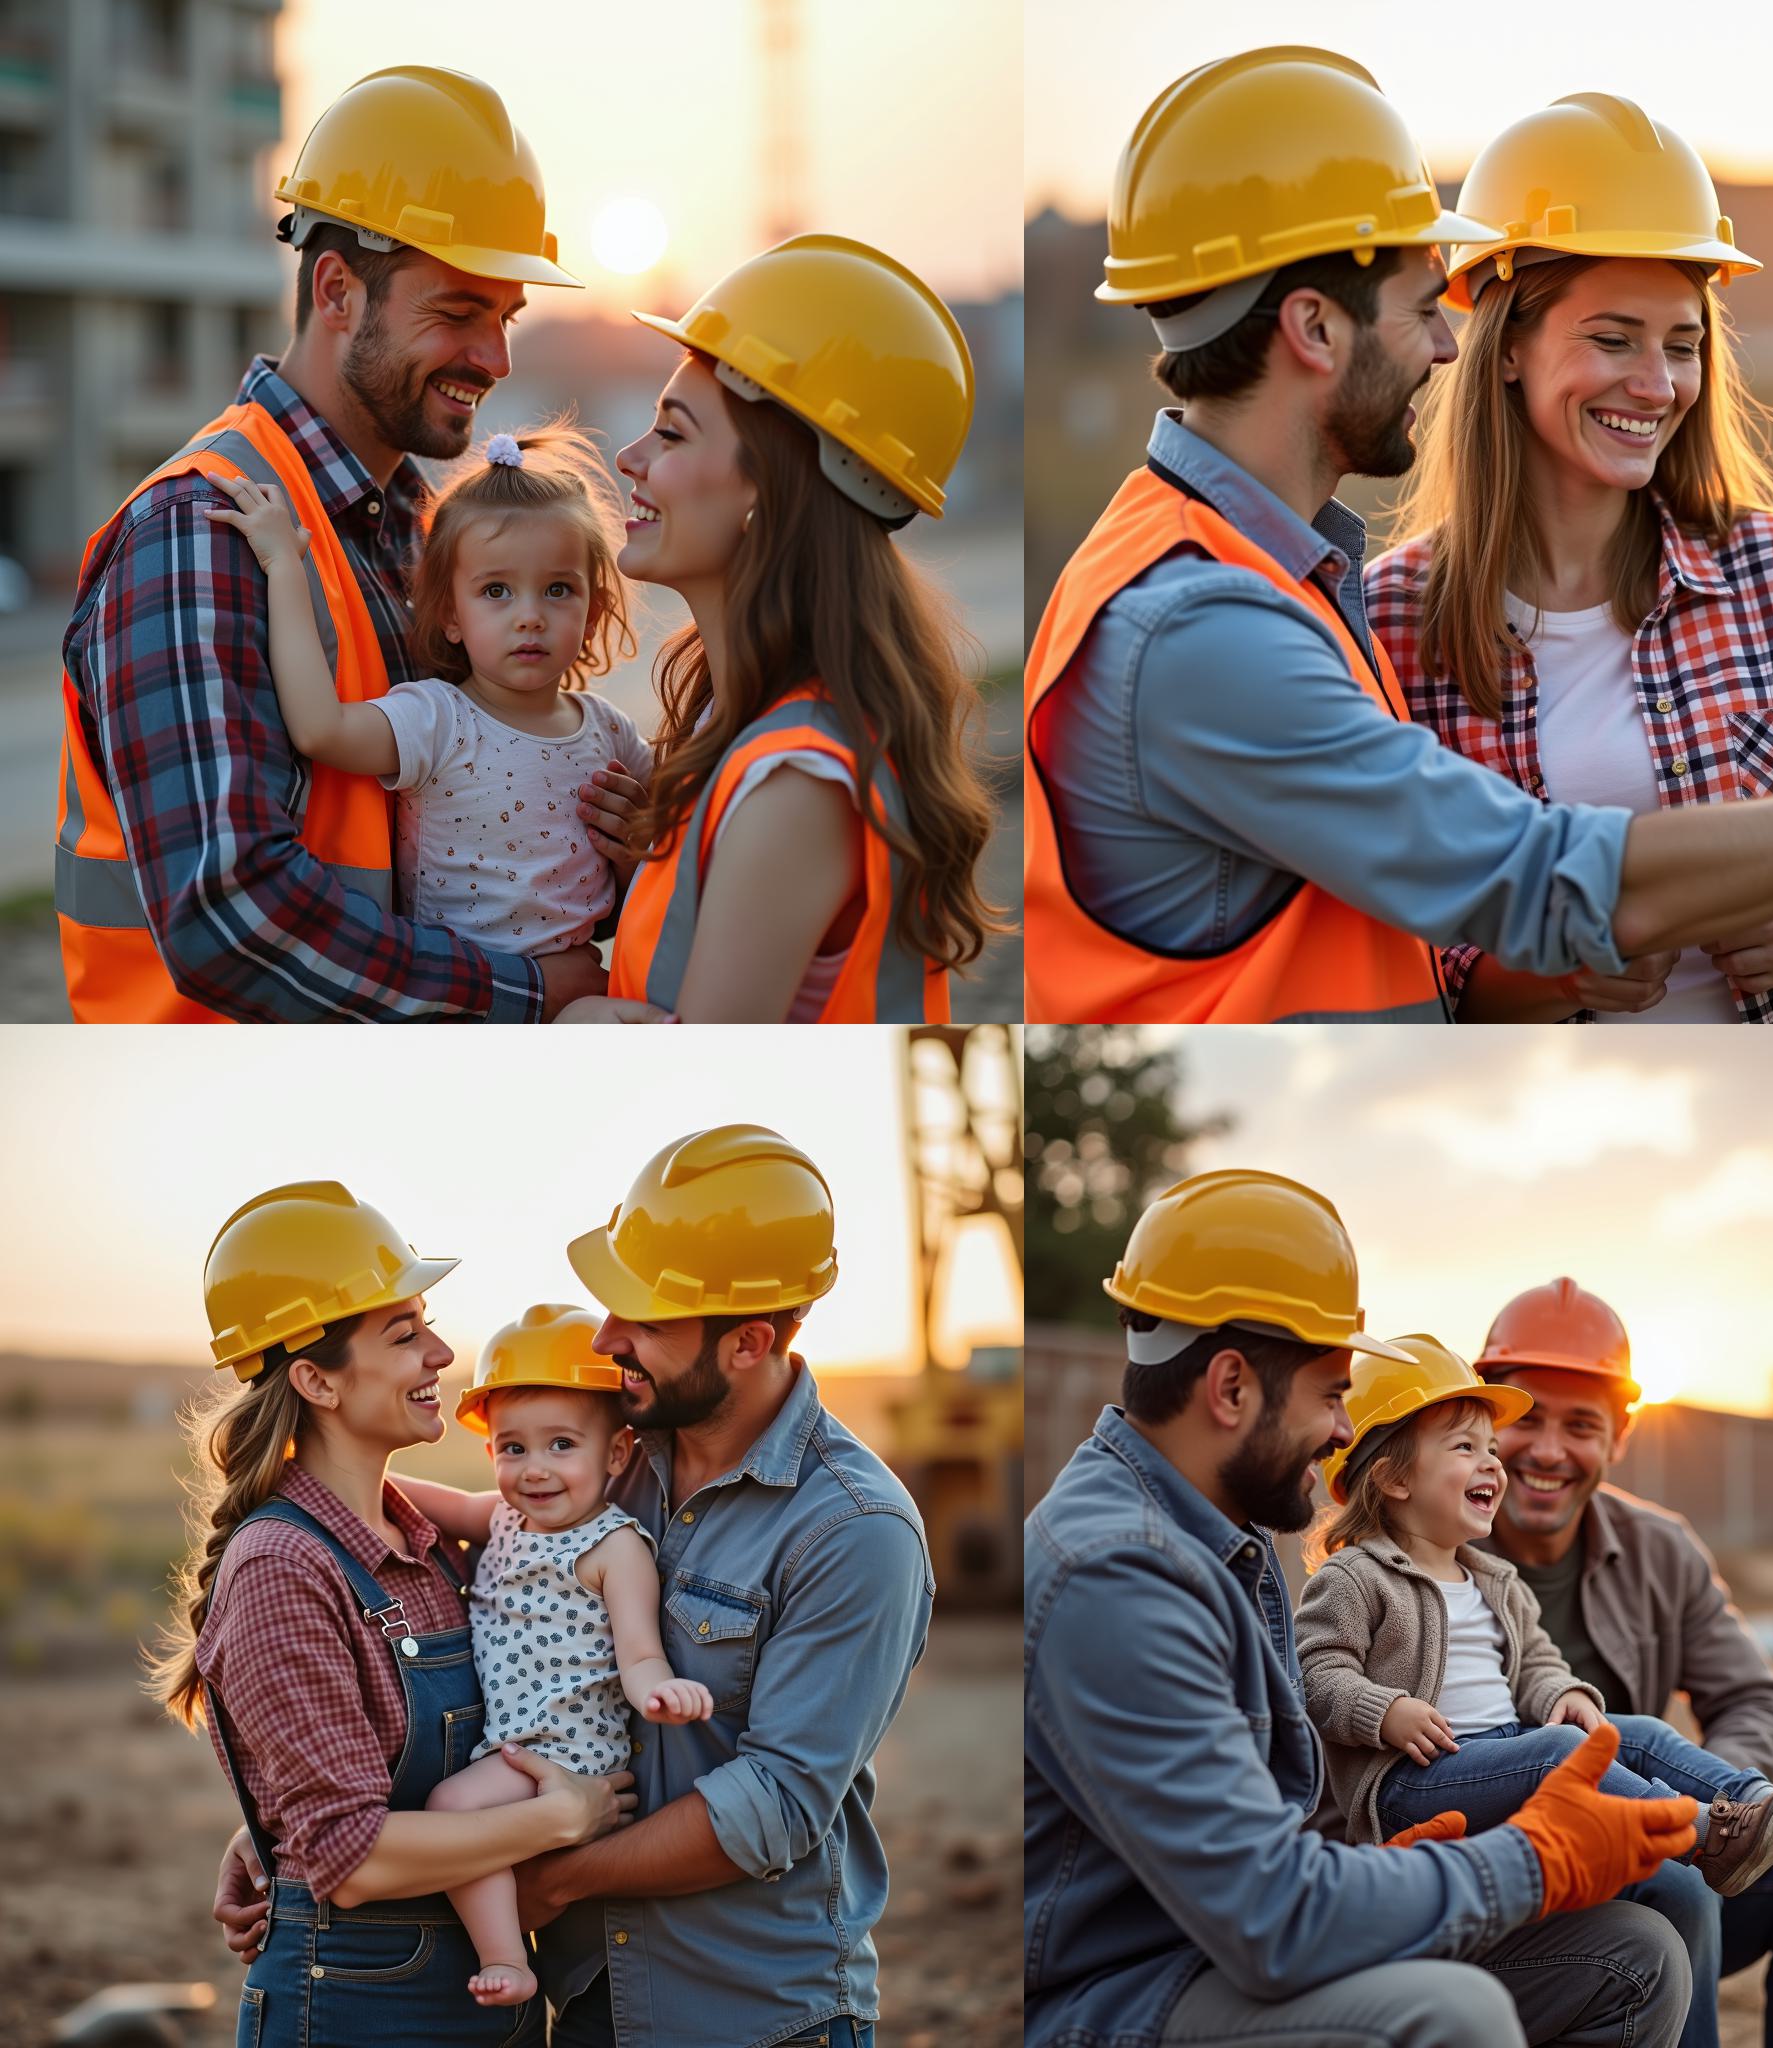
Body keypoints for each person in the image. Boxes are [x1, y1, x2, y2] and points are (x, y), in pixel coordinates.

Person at [1022, 45, 1773, 1025]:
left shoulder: (1279, 580)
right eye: (1423, 307)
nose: (1441, 342)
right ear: (1313, 328)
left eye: (1680, 345)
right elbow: (1535, 881)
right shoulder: (1229, 622)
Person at [1027, 1167, 1704, 2048]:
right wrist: (1534, 1860)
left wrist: (1388, 1876)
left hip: (1219, 1943)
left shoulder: (1213, 1537)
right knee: (1448, 2015)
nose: (1346, 1431)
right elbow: (1274, 1920)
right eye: (1332, 1393)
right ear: (1232, 1389)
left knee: (1633, 1956)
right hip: (1130, 1991)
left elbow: (1258, 1848)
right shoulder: (1120, 1575)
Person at [1368, 93, 1773, 1022]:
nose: (1656, 385)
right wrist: (1555, 976)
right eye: (1612, 340)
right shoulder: (1390, 622)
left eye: (1682, 347)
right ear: (1508, 345)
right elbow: (1390, 952)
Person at [54, 66, 615, 1021]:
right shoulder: (204, 528)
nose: (496, 358)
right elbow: (232, 915)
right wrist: (528, 992)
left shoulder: (420, 524)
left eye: (506, 317)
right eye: (457, 313)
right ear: (338, 290)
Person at [152, 1184, 634, 2043]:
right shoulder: (281, 1568)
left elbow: (362, 1782)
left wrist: (268, 1824)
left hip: (484, 1989)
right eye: (405, 1336)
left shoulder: (428, 1544)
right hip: (359, 2004)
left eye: (429, 1324)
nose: (443, 1354)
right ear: (315, 1381)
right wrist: (564, 1816)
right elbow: (352, 1861)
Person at [574, 236, 1004, 1022]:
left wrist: (577, 1024)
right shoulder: (742, 733)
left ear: (766, 498)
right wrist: (669, 867)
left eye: (671, 433)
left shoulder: (797, 783)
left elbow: (700, 1074)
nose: (630, 458)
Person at [1296, 1335, 1773, 1905]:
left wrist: (1562, 1692)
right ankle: (1706, 1837)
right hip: (1415, 1788)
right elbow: (1314, 1671)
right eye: (1465, 1449)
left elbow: (1538, 1661)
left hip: (1508, 1755)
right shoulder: (1355, 1577)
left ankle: (1762, 1807)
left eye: (1490, 1448)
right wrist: (1383, 1711)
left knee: (1633, 1734)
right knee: (1558, 1752)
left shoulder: (1493, 1580)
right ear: (1394, 1479)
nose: (1492, 1465)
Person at [1474, 1279, 1773, 2048]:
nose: (1547, 1450)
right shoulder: (1423, 1557)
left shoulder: (1661, 1550)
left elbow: (1753, 1697)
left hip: (1656, 1856)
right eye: (1525, 1417)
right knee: (1670, 1888)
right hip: (1506, 1893)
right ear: (1482, 1416)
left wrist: (1710, 1822)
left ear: (1620, 1435)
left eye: (1581, 1425)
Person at [203, 427, 651, 962]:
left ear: (592, 611)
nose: (530, 616)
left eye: (558, 589)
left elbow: (686, 816)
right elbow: (319, 729)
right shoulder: (437, 718)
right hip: (469, 1004)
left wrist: (639, 840)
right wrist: (283, 568)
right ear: (450, 617)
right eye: (496, 591)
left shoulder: (610, 730)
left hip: (584, 981)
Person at [390, 1306, 714, 2009]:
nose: (534, 1470)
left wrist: (661, 1692)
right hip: (511, 1745)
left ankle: (507, 1957)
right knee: (463, 1822)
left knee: (451, 1811)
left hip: (569, 1753)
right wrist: (329, 1480)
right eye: (513, 1449)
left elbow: (639, 1650)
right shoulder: (505, 1518)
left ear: (617, 1454)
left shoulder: (614, 1546)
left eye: (561, 1445)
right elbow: (432, 1503)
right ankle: (508, 1944)